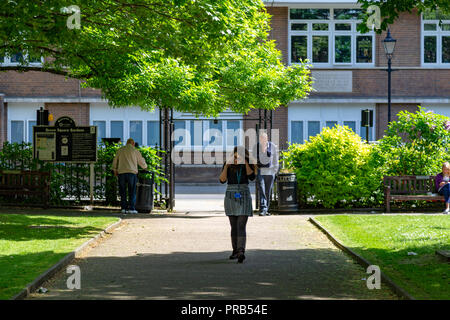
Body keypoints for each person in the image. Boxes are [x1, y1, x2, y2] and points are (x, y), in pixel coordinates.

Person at [219, 146, 256, 263]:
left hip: (244, 194)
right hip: (231, 195)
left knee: (241, 225)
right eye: (235, 156)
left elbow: (252, 177)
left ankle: (241, 251)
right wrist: (226, 166)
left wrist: (245, 163)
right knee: (233, 225)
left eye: (239, 156)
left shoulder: (248, 164)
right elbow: (222, 180)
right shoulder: (228, 164)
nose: (237, 159)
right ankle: (235, 251)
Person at [112, 138, 148, 214]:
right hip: (132, 173)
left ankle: (123, 208)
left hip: (121, 173)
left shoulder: (120, 150)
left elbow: (115, 161)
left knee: (123, 191)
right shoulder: (135, 150)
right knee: (132, 191)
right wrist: (145, 167)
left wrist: (115, 170)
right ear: (133, 144)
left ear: (127, 143)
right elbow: (140, 161)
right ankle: (131, 208)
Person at [253, 132, 279, 216]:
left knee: (268, 190)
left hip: (270, 171)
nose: (262, 141)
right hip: (260, 170)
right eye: (261, 139)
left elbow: (275, 158)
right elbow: (253, 159)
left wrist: (275, 170)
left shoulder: (272, 146)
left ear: (267, 139)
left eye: (264, 139)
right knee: (262, 189)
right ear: (259, 139)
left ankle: (265, 210)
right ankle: (263, 208)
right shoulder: (256, 147)